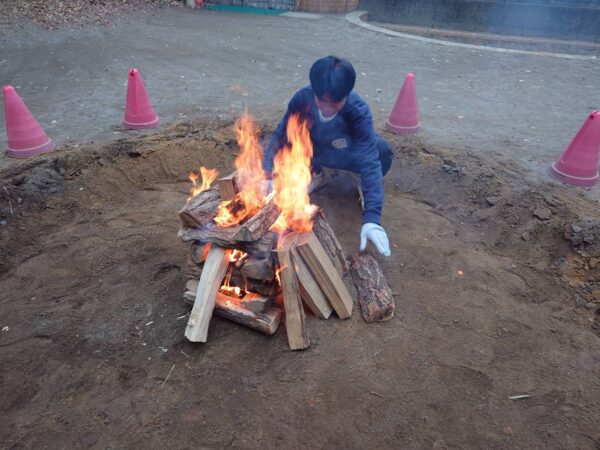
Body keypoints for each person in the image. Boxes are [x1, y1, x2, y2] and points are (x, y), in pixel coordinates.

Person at [263, 55, 392, 256]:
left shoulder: (357, 111)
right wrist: (266, 175)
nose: (327, 108)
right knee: (294, 143)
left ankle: (355, 178)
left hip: (347, 154)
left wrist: (372, 219)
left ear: (346, 95)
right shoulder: (302, 99)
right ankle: (316, 173)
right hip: (315, 153)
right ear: (315, 91)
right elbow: (281, 135)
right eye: (322, 101)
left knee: (382, 151)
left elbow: (370, 160)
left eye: (335, 103)